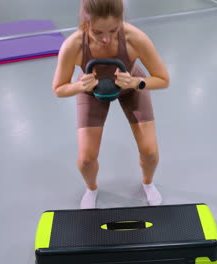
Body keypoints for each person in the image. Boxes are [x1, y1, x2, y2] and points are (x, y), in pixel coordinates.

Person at [52, 0, 170, 209]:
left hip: (131, 87)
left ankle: (148, 184)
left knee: (150, 152)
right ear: (85, 24)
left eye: (114, 30)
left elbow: (163, 79)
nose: (106, 39)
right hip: (90, 91)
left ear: (121, 22)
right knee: (86, 159)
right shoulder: (73, 45)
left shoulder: (136, 38)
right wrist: (79, 86)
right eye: (98, 32)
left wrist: (136, 82)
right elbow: (59, 88)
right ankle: (91, 188)